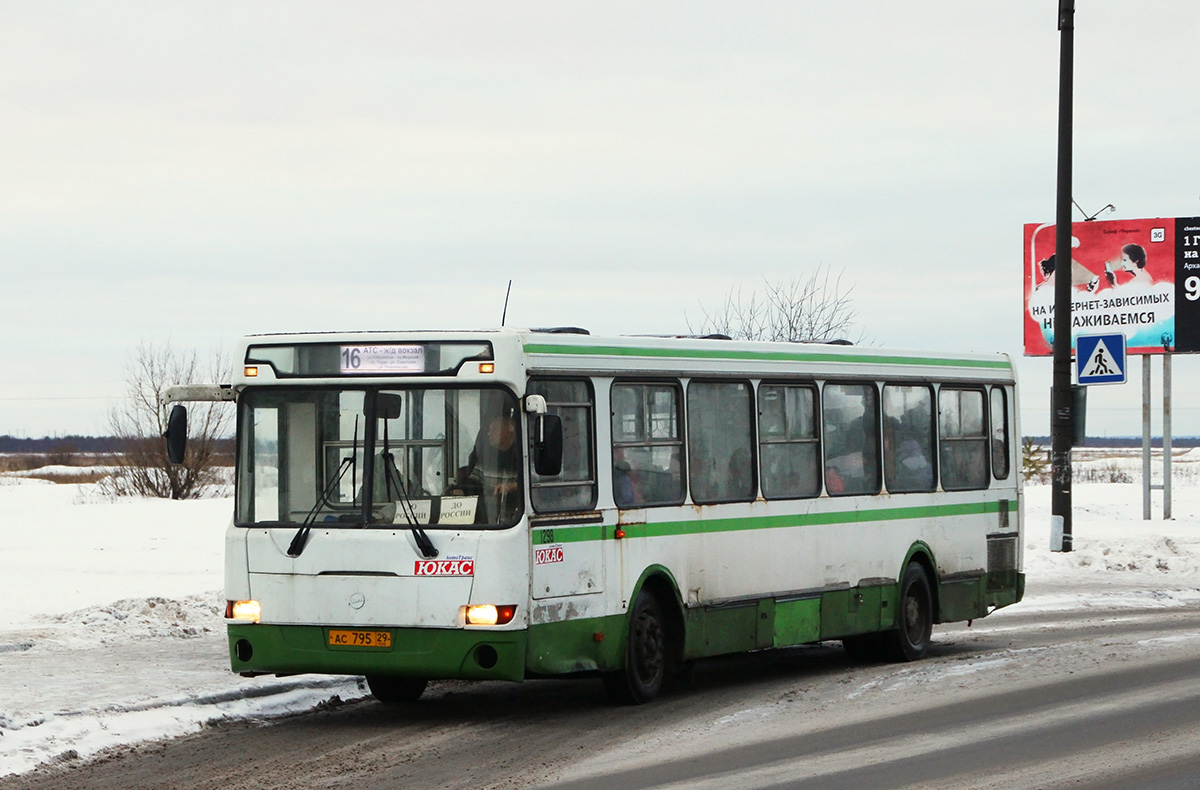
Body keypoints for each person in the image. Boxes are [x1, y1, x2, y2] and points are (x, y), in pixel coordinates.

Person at [455, 415, 521, 522]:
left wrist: (511, 486)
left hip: (515, 516)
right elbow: (474, 481)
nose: (488, 433)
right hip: (488, 515)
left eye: (494, 429)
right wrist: (462, 490)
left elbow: (535, 485)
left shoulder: (524, 456)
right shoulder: (488, 457)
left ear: (509, 431)